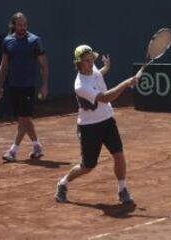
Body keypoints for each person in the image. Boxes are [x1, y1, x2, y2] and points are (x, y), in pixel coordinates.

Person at [55, 44, 138, 204]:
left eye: (92, 59)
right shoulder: (80, 86)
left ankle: (122, 189)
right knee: (87, 167)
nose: (91, 62)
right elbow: (106, 97)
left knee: (119, 155)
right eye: (87, 60)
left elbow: (97, 75)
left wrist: (106, 67)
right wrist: (126, 83)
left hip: (107, 121)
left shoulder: (93, 71)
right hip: (89, 128)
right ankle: (63, 182)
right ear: (78, 63)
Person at [0, 12, 49, 162]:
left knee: (24, 118)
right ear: (13, 25)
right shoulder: (7, 41)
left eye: (25, 24)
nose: (23, 27)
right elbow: (4, 65)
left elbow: (44, 66)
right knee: (23, 119)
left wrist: (44, 86)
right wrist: (0, 85)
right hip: (14, 86)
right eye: (19, 25)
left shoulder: (35, 41)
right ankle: (37, 146)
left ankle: (13, 150)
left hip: (28, 86)